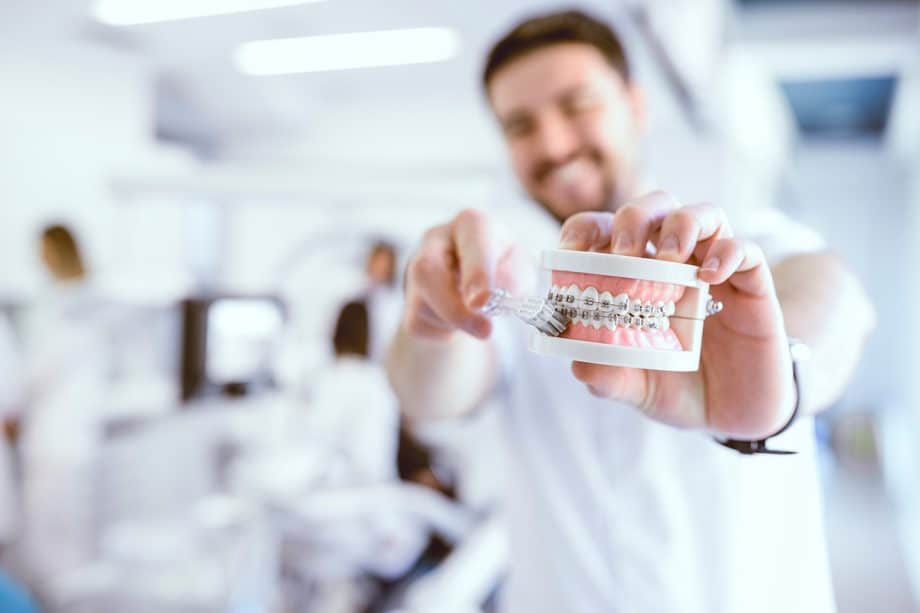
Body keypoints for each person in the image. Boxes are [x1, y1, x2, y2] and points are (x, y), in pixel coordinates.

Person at [386, 10, 875, 613]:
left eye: (576, 105)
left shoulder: (742, 248)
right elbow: (428, 395)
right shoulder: (514, 282)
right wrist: (434, 319)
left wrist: (782, 380)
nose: (554, 144)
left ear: (636, 105)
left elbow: (837, 301)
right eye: (520, 126)